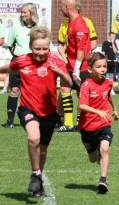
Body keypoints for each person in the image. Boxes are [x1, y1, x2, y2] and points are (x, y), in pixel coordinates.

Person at [0, 27, 72, 196]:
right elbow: (10, 68)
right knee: (33, 138)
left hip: (48, 112)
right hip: (27, 108)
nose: (41, 52)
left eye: (45, 49)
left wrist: (60, 72)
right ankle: (35, 173)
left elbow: (68, 82)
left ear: (49, 47)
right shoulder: (22, 60)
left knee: (44, 150)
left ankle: (38, 183)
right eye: (37, 49)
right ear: (31, 46)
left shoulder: (55, 60)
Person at [78, 52, 119, 194]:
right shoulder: (86, 85)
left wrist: (115, 109)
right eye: (99, 67)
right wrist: (98, 112)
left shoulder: (108, 83)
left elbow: (108, 95)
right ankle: (99, 158)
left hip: (104, 123)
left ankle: (103, 180)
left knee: (105, 148)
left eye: (105, 66)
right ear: (90, 69)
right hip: (87, 127)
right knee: (93, 158)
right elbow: (82, 106)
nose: (103, 69)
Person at [56, 0, 92, 132]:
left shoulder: (80, 25)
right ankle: (68, 123)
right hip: (70, 65)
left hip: (81, 67)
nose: (60, 9)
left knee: (82, 95)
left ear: (67, 8)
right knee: (64, 90)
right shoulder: (70, 23)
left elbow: (81, 49)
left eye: (61, 7)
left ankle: (80, 123)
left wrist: (76, 69)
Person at [4, 3, 36, 128]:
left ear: (32, 13)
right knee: (14, 90)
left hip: (34, 63)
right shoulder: (16, 28)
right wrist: (19, 58)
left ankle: (32, 119)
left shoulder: (38, 28)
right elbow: (10, 45)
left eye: (25, 12)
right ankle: (10, 121)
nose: (22, 14)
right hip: (18, 61)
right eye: (21, 12)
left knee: (32, 92)